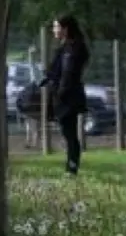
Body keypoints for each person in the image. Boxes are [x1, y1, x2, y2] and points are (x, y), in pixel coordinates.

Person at [39, 15, 90, 175]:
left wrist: (60, 92)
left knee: (70, 134)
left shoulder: (74, 49)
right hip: (62, 95)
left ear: (65, 29)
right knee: (68, 133)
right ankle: (71, 165)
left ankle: (72, 167)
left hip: (68, 97)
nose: (54, 30)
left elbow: (68, 73)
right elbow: (55, 70)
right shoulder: (64, 48)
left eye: (56, 27)